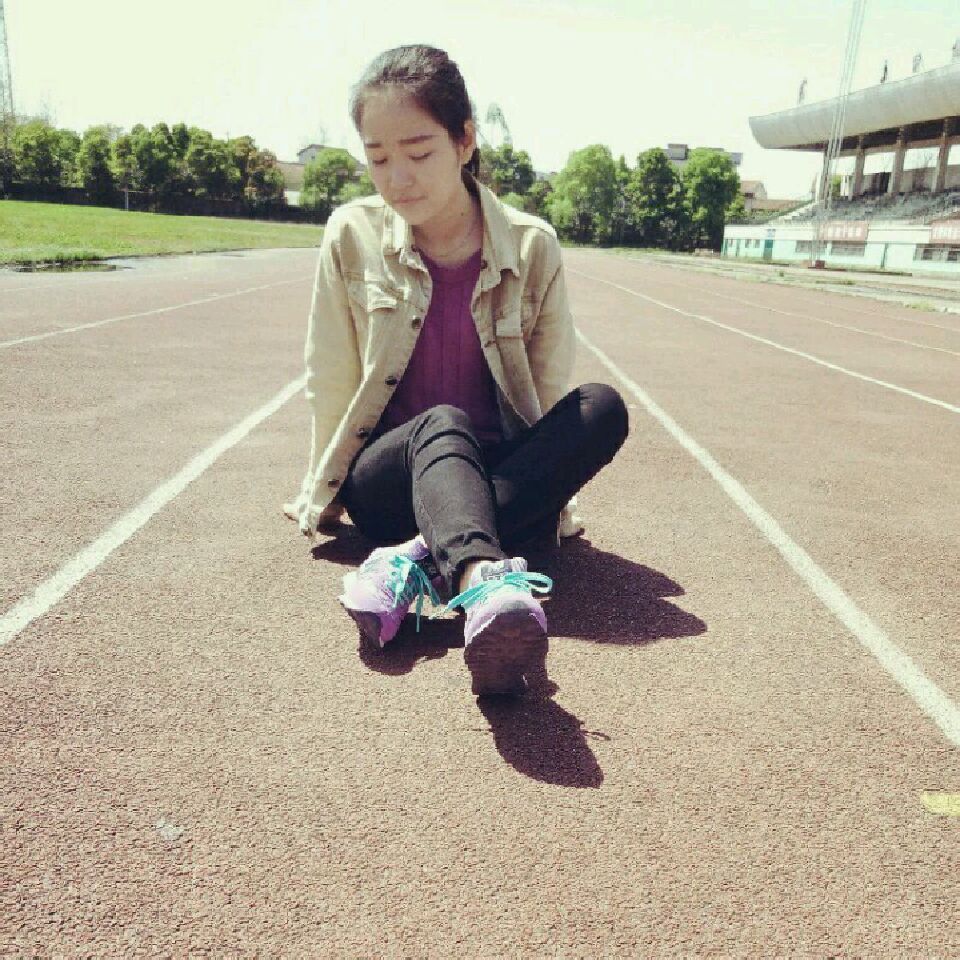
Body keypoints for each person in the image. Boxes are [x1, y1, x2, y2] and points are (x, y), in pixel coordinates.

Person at [285, 44, 628, 697]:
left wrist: (547, 483)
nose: (398, 179)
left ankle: (418, 560)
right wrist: (321, 496)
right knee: (443, 422)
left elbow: (546, 390)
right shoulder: (351, 234)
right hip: (390, 481)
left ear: (465, 141)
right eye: (378, 158)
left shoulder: (532, 245)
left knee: (601, 408)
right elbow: (328, 373)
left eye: (419, 154)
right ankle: (481, 579)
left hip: (494, 478)